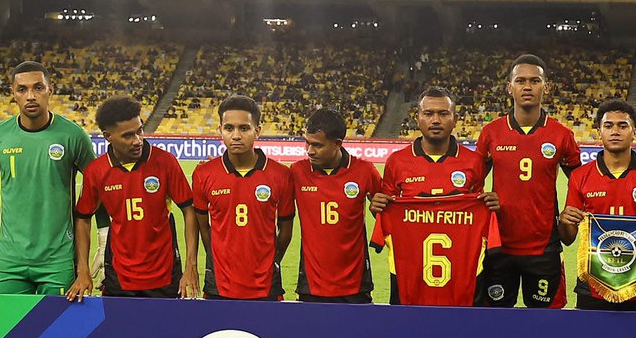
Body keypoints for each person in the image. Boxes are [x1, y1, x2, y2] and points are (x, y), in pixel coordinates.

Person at [0, 60, 96, 296]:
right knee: (4, 332)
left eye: (38, 88)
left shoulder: (73, 136)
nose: (30, 96)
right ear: (13, 93)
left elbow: (98, 187)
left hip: (58, 261)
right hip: (9, 261)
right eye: (22, 89)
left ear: (50, 89)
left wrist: (104, 242)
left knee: (57, 332)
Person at [371, 86, 498, 305]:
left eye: (443, 113)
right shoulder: (397, 162)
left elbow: (475, 215)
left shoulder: (473, 162)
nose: (436, 120)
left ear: (455, 118)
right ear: (417, 117)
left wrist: (489, 205)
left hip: (460, 273)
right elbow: (388, 218)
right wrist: (378, 208)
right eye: (428, 113)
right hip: (409, 270)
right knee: (406, 330)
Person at [473, 54, 581, 308]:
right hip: (499, 246)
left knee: (547, 325)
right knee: (495, 322)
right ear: (510, 87)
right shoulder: (491, 133)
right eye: (520, 81)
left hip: (544, 248)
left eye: (535, 81)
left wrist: (569, 213)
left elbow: (581, 182)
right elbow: (471, 183)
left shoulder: (561, 135)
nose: (528, 87)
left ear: (546, 87)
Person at [66, 96, 199, 300]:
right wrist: (83, 270)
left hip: (164, 273)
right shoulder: (97, 171)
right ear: (107, 136)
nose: (137, 140)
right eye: (128, 135)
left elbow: (189, 211)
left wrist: (191, 266)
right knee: (120, 331)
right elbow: (83, 218)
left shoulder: (165, 162)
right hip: (119, 275)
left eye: (139, 131)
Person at [558, 98, 636, 311]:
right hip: (592, 283)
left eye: (622, 126)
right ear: (599, 132)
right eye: (608, 126)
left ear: (634, 131)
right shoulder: (580, 176)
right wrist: (564, 220)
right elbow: (567, 239)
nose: (615, 131)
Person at [191, 95, 295, 300]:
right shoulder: (203, 174)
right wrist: (218, 259)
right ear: (220, 129)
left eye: (244, 128)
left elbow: (285, 231)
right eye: (229, 128)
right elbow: (204, 228)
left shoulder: (280, 174)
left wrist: (271, 262)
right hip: (219, 285)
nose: (236, 135)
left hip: (266, 284)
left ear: (258, 130)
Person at [290, 106, 381, 303]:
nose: (310, 151)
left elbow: (386, 213)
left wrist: (379, 209)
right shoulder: (297, 171)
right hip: (312, 285)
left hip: (355, 285)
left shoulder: (364, 171)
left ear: (337, 144)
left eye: (317, 145)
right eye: (307, 143)